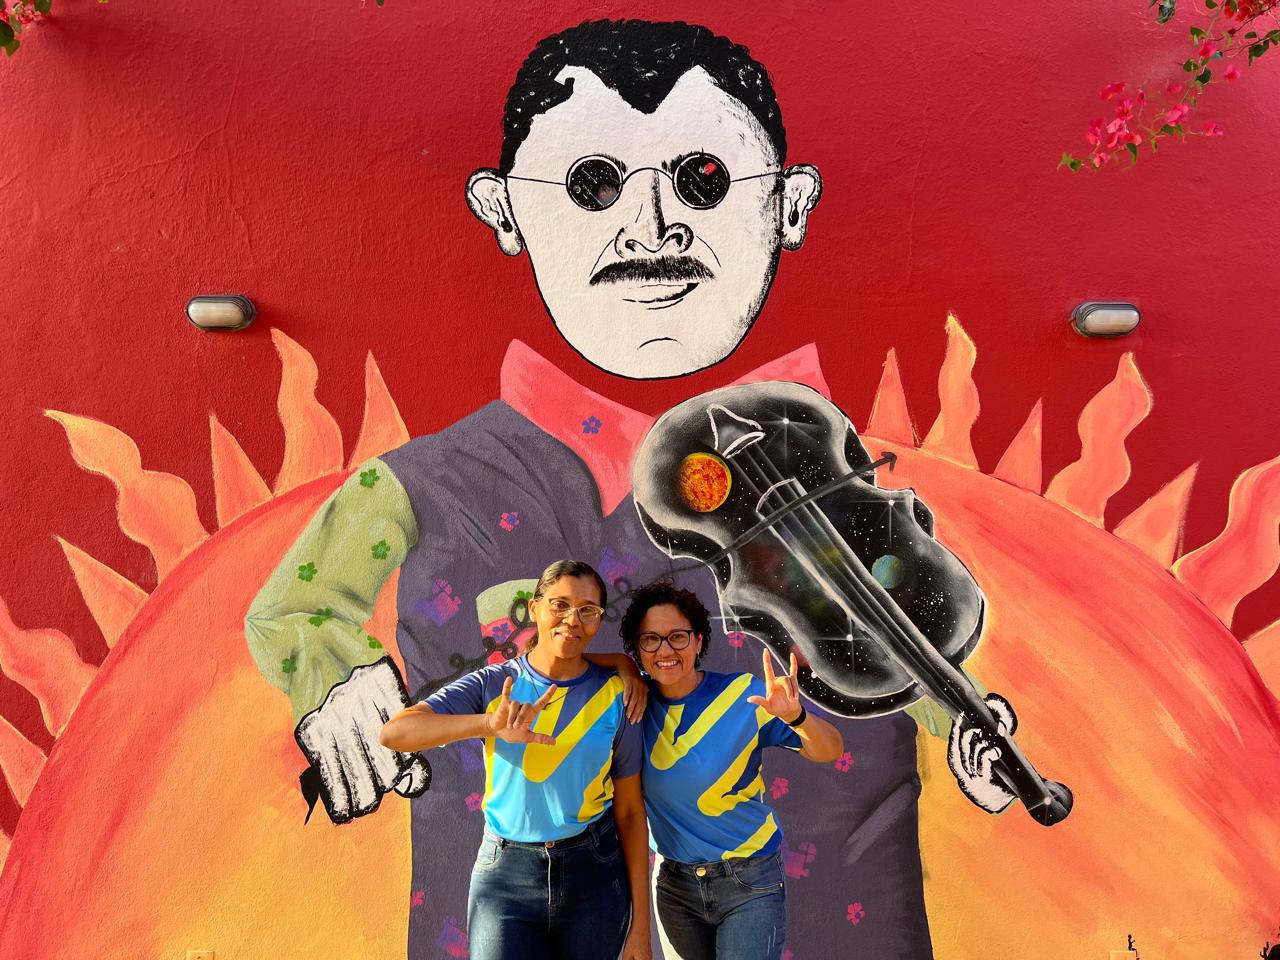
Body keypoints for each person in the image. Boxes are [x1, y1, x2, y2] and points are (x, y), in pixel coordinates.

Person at [246, 19, 1011, 959]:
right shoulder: (422, 481)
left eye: (703, 179)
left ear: (791, 205)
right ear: (502, 211)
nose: (651, 228)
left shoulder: (829, 461)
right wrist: (339, 685)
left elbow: (901, 626)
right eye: (593, 185)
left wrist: (964, 719)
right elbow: (296, 606)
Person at [380, 560, 652, 960]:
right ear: (535, 608)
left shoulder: (618, 695)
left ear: (597, 619)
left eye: (587, 610)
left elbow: (629, 812)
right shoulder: (496, 684)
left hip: (593, 873)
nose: (572, 620)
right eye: (560, 605)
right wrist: (487, 724)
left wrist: (641, 927)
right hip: (505, 879)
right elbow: (395, 733)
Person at [618, 581, 842, 960]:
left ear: (698, 640)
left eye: (677, 637)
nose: (665, 650)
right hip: (674, 888)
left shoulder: (745, 695)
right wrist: (621, 668)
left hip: (749, 881)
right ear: (636, 649)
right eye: (650, 640)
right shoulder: (632, 707)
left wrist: (797, 717)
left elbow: (830, 749)